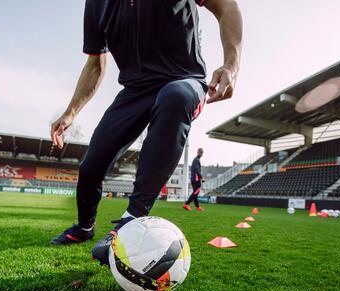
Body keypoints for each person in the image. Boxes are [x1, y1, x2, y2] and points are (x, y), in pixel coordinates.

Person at [50, 0, 243, 266]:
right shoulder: (96, 3)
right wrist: (71, 112)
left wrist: (231, 64)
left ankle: (130, 222)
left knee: (174, 97)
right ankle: (84, 227)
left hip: (182, 80)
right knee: (91, 166)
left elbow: (226, 6)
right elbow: (95, 63)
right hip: (134, 91)